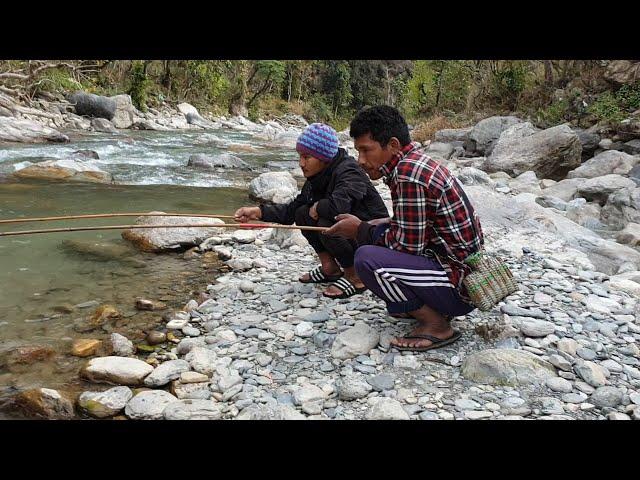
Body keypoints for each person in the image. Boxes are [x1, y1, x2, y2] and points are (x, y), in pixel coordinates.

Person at [324, 106, 484, 351]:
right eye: (358, 152)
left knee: (366, 259)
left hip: (459, 285)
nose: (361, 161)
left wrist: (360, 230)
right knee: (377, 238)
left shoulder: (408, 174)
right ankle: (428, 307)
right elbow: (420, 227)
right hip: (465, 273)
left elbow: (408, 246)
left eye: (367, 150)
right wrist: (376, 225)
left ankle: (437, 326)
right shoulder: (416, 163)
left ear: (393, 145)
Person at [234, 122, 389, 299]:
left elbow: (339, 207)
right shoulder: (318, 175)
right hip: (354, 237)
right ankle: (329, 268)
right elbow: (291, 211)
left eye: (306, 157)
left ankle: (355, 276)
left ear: (323, 157)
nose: (301, 163)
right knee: (302, 212)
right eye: (300, 156)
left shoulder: (349, 171)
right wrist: (257, 212)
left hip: (374, 240)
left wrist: (318, 206)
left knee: (327, 221)